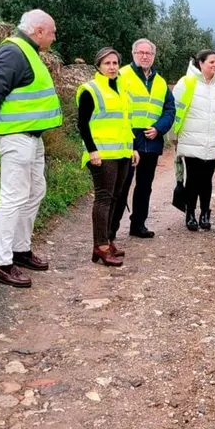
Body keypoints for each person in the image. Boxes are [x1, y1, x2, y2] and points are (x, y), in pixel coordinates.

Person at [0, 9, 62, 288]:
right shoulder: (14, 52)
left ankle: (20, 250)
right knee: (13, 198)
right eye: (52, 31)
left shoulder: (27, 51)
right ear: (38, 31)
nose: (54, 36)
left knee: (36, 191)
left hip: (32, 138)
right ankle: (0, 262)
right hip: (16, 137)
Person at [76, 47, 140, 267]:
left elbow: (125, 122)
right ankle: (100, 246)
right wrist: (92, 150)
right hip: (102, 154)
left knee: (116, 197)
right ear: (98, 66)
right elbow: (82, 124)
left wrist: (132, 147)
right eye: (107, 63)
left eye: (115, 63)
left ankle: (108, 241)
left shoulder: (122, 88)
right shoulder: (90, 90)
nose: (112, 67)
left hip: (122, 151)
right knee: (103, 198)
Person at [109, 38, 176, 240]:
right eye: (141, 53)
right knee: (121, 186)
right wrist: (127, 134)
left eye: (149, 53)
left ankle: (138, 224)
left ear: (154, 56)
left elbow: (170, 109)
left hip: (152, 140)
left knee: (145, 186)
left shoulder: (160, 81)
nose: (145, 56)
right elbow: (114, 106)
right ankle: (110, 230)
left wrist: (159, 128)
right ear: (133, 54)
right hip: (128, 140)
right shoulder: (121, 76)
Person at [172, 49, 215, 231]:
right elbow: (175, 111)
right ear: (200, 63)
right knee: (193, 178)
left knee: (207, 179)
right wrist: (174, 137)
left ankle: (205, 213)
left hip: (213, 141)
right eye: (211, 62)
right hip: (191, 138)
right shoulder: (186, 83)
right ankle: (190, 213)